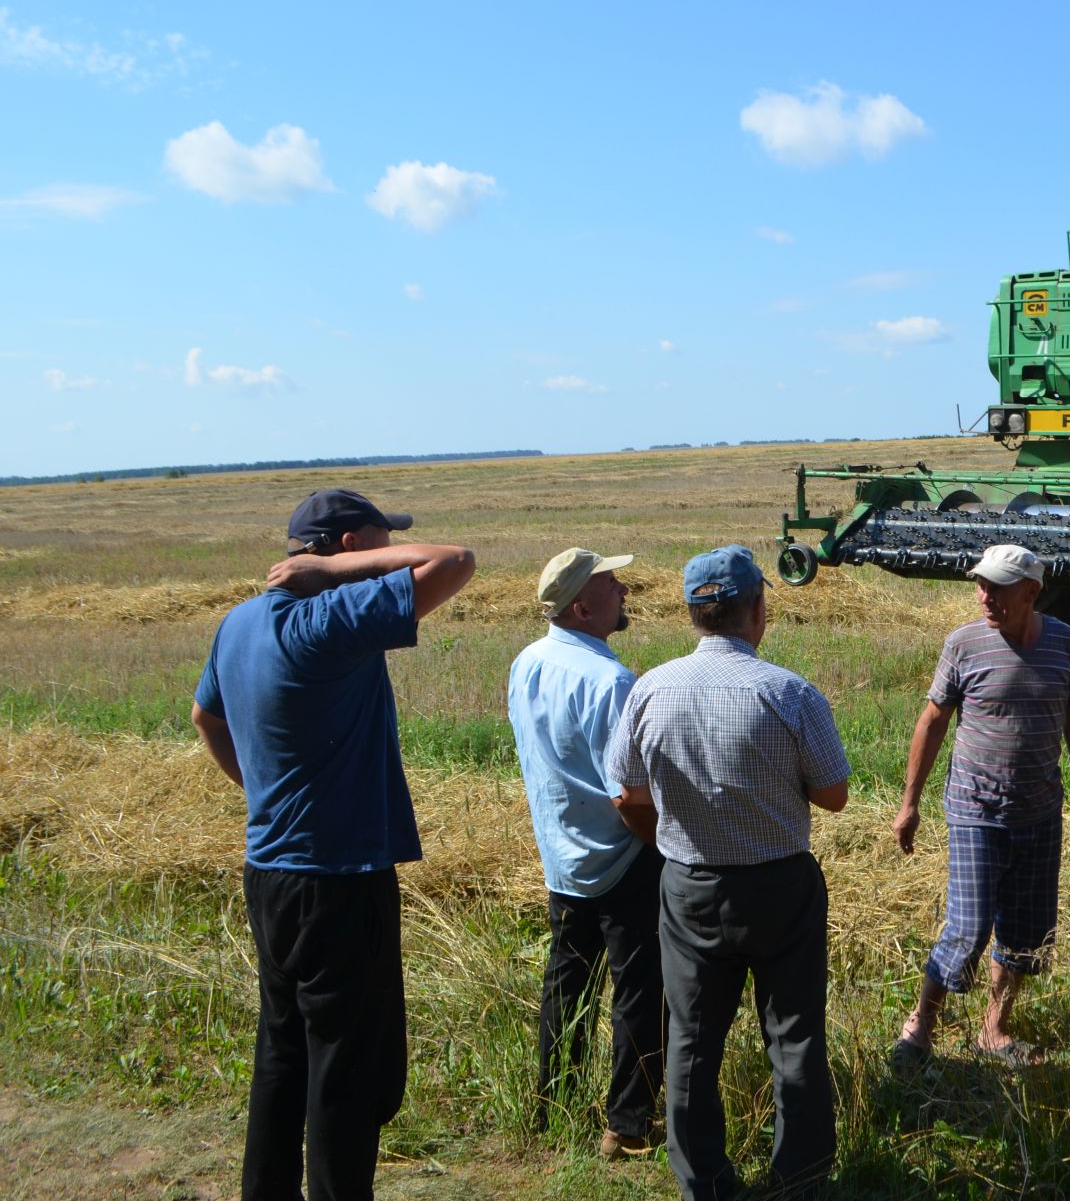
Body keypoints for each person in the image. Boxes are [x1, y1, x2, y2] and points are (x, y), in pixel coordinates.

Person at [190, 489, 475, 1201]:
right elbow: (455, 562)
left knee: (283, 1053)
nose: (392, 554)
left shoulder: (239, 623)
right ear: (349, 547)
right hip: (339, 876)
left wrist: (261, 793)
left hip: (271, 869)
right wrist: (348, 575)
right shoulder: (327, 616)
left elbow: (205, 715)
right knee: (349, 1069)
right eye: (380, 541)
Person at [607, 544, 849, 1201]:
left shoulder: (650, 690)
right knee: (795, 1038)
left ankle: (706, 1184)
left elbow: (625, 795)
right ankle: (796, 1181)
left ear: (692, 613)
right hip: (779, 885)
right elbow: (833, 794)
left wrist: (669, 841)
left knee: (689, 1043)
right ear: (757, 610)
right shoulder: (790, 693)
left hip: (689, 886)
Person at [891, 543, 1070, 1068]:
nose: (983, 596)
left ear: (1031, 592)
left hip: (1039, 811)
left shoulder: (1065, 644)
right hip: (974, 808)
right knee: (967, 928)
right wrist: (910, 804)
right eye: (980, 584)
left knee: (1026, 930)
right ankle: (920, 1026)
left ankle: (994, 1029)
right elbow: (932, 721)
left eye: (996, 587)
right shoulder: (964, 644)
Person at [507, 546, 664, 1159]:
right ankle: (627, 1125)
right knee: (638, 990)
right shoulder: (610, 679)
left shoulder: (525, 662)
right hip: (622, 856)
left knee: (566, 983)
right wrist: (663, 845)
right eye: (611, 584)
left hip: (562, 854)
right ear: (582, 605)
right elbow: (628, 790)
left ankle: (554, 1105)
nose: (623, 589)